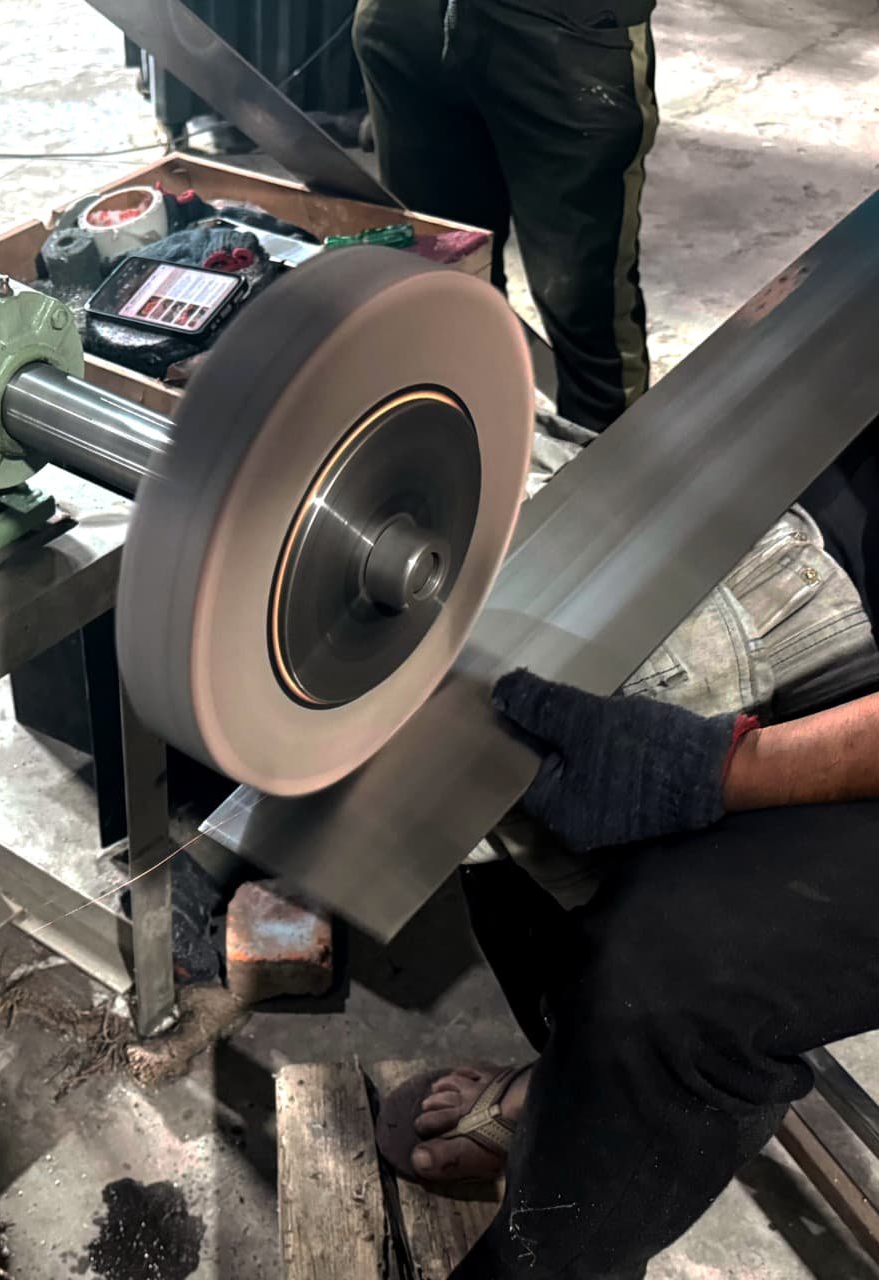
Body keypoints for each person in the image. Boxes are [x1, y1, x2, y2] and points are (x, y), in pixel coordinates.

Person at [376, 411, 879, 1279]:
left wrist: (722, 770)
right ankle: (570, 1080)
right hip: (829, 513)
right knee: (498, 749)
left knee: (671, 969)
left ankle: (553, 1252)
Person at [353, 0, 659, 431]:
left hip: (565, 33)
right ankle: (463, 466)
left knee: (588, 318)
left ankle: (614, 484)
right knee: (443, 286)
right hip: (406, 19)